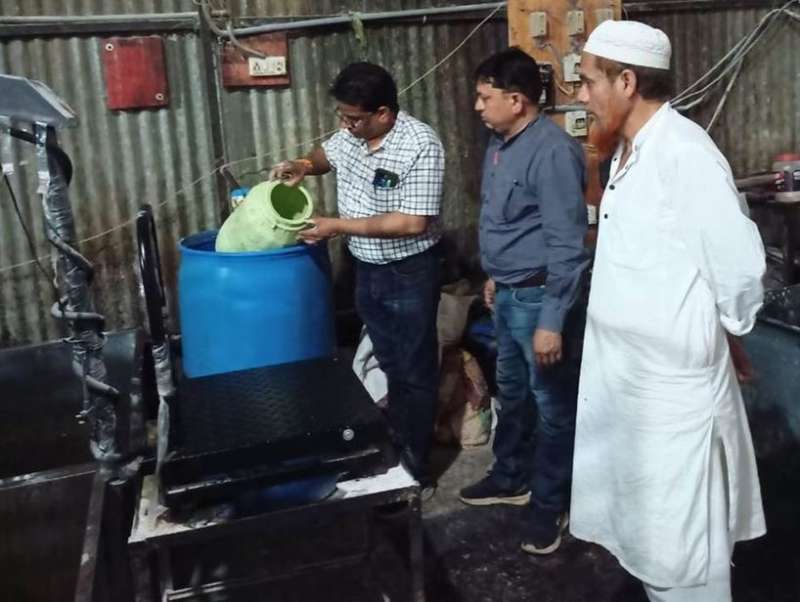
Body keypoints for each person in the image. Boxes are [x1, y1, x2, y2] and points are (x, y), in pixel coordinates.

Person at [570, 20, 766, 602]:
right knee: (652, 542)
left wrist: (725, 330)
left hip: (672, 397)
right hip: (631, 392)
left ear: (627, 82)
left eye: (589, 81)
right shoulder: (629, 152)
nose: (581, 95)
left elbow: (738, 270)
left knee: (685, 557)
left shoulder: (685, 153)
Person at [270, 62, 445, 489]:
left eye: (354, 118)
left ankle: (416, 468)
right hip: (367, 269)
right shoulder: (351, 136)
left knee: (414, 371)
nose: (345, 126)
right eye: (342, 116)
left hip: (408, 273)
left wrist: (335, 226)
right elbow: (325, 155)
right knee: (388, 362)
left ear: (383, 113)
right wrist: (302, 164)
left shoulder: (420, 144)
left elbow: (411, 222)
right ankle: (395, 445)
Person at [458, 47, 589, 555]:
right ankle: (511, 476)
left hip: (540, 299)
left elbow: (566, 245)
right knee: (511, 392)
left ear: (516, 100)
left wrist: (552, 320)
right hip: (509, 293)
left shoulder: (552, 152)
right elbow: (506, 221)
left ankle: (551, 503)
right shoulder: (500, 143)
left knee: (552, 406)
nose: (477, 106)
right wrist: (495, 276)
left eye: (484, 97)